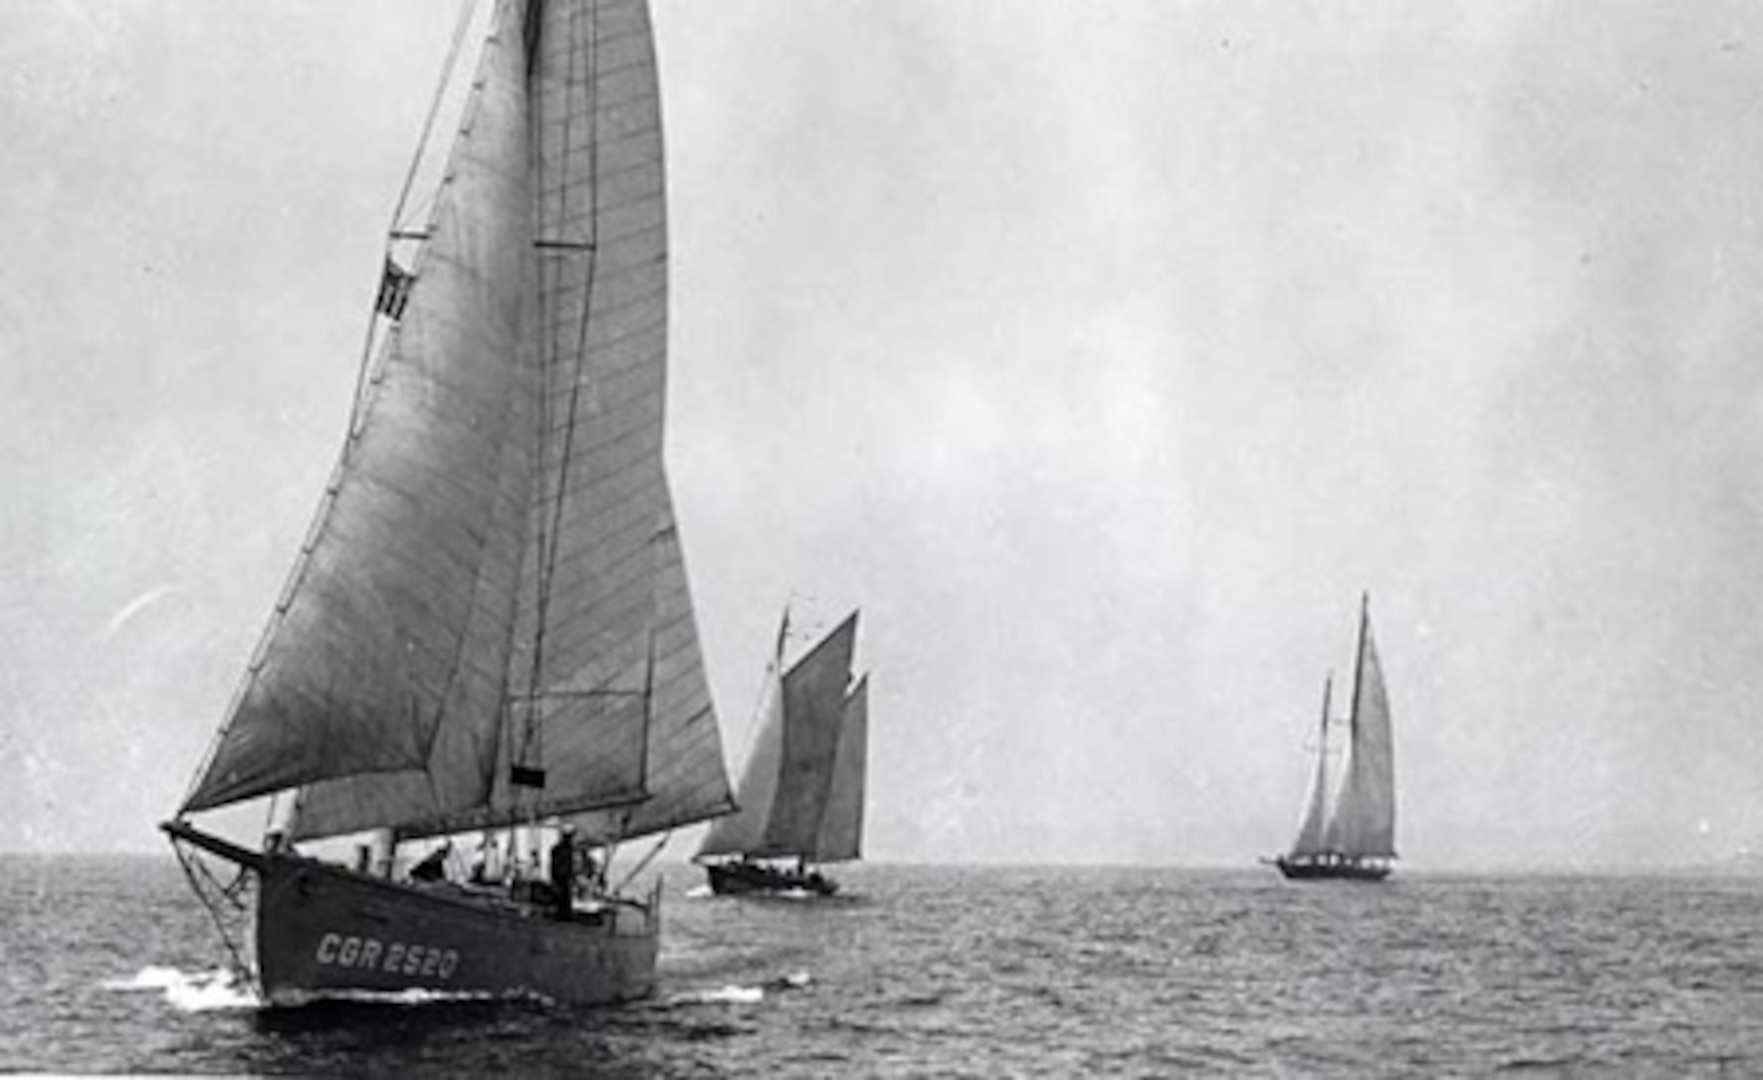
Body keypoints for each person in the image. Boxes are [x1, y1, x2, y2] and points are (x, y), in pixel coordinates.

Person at [548, 826, 576, 918]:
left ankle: (563, 912)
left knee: (564, 895)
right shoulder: (561, 849)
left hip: (562, 875)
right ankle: (562, 912)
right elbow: (557, 863)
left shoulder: (564, 849)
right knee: (562, 894)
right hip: (561, 876)